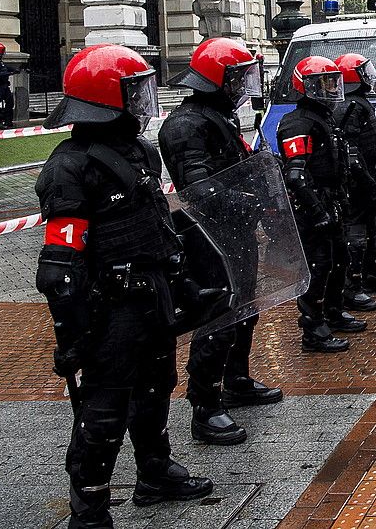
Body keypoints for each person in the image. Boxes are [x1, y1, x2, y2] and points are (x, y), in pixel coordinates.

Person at [36, 44, 213, 528]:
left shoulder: (139, 150)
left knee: (157, 385)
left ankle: (154, 474)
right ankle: (89, 510)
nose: (141, 102)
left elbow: (156, 224)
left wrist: (183, 282)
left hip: (151, 296)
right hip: (108, 309)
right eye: (132, 92)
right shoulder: (70, 167)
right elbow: (59, 266)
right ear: (104, 100)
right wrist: (71, 335)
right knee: (104, 410)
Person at [158, 38, 282, 447]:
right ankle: (205, 406)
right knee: (218, 316)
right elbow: (199, 188)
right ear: (215, 80)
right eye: (236, 77)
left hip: (236, 231)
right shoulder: (186, 125)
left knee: (244, 309)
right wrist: (246, 200)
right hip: (208, 237)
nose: (241, 85)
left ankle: (237, 380)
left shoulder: (216, 117)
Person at [278, 56, 359, 353]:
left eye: (332, 81)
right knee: (318, 265)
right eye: (323, 82)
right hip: (312, 205)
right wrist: (316, 210)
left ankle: (333, 311)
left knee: (340, 259)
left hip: (331, 199)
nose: (330, 87)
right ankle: (312, 328)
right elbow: (296, 174)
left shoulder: (324, 116)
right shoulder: (297, 122)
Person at [334, 53, 376, 299]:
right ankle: (353, 284)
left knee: (370, 229)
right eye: (363, 72)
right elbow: (353, 152)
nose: (369, 77)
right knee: (356, 233)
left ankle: (370, 273)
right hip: (355, 181)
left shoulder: (358, 102)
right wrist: (370, 183)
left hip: (366, 174)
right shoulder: (349, 106)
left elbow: (372, 145)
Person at [0, 42, 21, 128]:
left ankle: (8, 121)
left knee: (10, 103)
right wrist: (11, 73)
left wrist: (16, 69)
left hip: (5, 85)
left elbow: (5, 67)